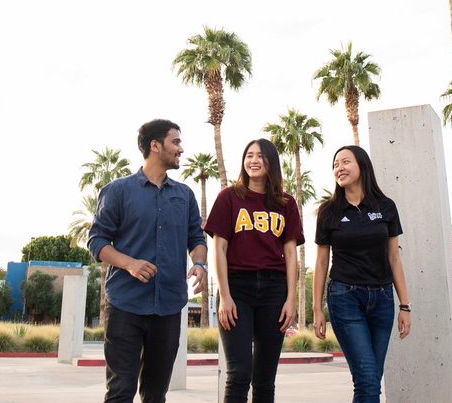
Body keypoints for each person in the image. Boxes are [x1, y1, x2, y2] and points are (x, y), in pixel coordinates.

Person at [88, 119, 208, 403]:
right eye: (175, 142)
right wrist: (129, 263)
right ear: (155, 146)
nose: (181, 148)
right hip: (125, 306)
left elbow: (197, 239)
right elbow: (97, 241)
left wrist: (200, 264)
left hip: (168, 307)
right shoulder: (117, 191)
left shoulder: (185, 195)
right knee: (120, 392)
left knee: (156, 394)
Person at [204, 138, 303, 403]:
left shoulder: (286, 203)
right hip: (237, 288)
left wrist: (291, 300)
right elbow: (219, 249)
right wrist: (224, 296)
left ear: (271, 162)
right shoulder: (229, 197)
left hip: (274, 290)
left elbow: (291, 253)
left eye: (261, 156)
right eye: (249, 155)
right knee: (239, 373)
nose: (254, 160)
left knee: (265, 379)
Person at [312, 145, 411, 403]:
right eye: (335, 164)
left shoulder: (386, 207)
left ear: (362, 166)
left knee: (370, 382)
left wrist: (405, 305)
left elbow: (394, 258)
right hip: (345, 297)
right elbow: (321, 263)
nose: (339, 168)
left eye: (345, 162)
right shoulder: (328, 211)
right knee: (367, 380)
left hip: (382, 299)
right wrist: (317, 309)